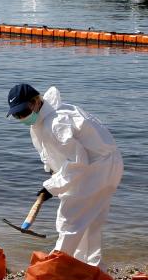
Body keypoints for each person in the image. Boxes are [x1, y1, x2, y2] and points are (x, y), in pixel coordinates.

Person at [7, 83, 123, 266]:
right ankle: (90, 272)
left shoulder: (56, 123)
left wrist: (50, 188)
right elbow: (60, 157)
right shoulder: (45, 119)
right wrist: (54, 180)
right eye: (17, 115)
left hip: (97, 169)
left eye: (24, 111)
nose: (22, 117)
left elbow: (78, 162)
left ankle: (56, 269)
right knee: (89, 223)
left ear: (36, 101)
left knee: (69, 220)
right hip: (103, 166)